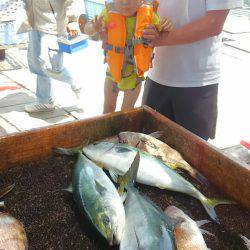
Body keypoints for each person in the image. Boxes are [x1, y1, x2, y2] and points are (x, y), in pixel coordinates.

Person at [142, 0, 242, 140]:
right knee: (148, 146)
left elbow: (213, 23)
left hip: (196, 82)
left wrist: (160, 40)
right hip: (156, 75)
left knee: (192, 157)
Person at [81, 0, 172, 114]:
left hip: (134, 77)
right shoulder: (108, 12)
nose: (125, 3)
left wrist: (165, 25)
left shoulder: (149, 15)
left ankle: (122, 131)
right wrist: (93, 27)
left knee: (126, 113)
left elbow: (162, 29)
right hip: (112, 75)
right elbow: (87, 30)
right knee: (107, 109)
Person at [23, 0, 83, 112]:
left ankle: (76, 84)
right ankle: (44, 101)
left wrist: (72, 20)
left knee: (51, 66)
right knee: (36, 64)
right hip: (33, 24)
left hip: (52, 27)